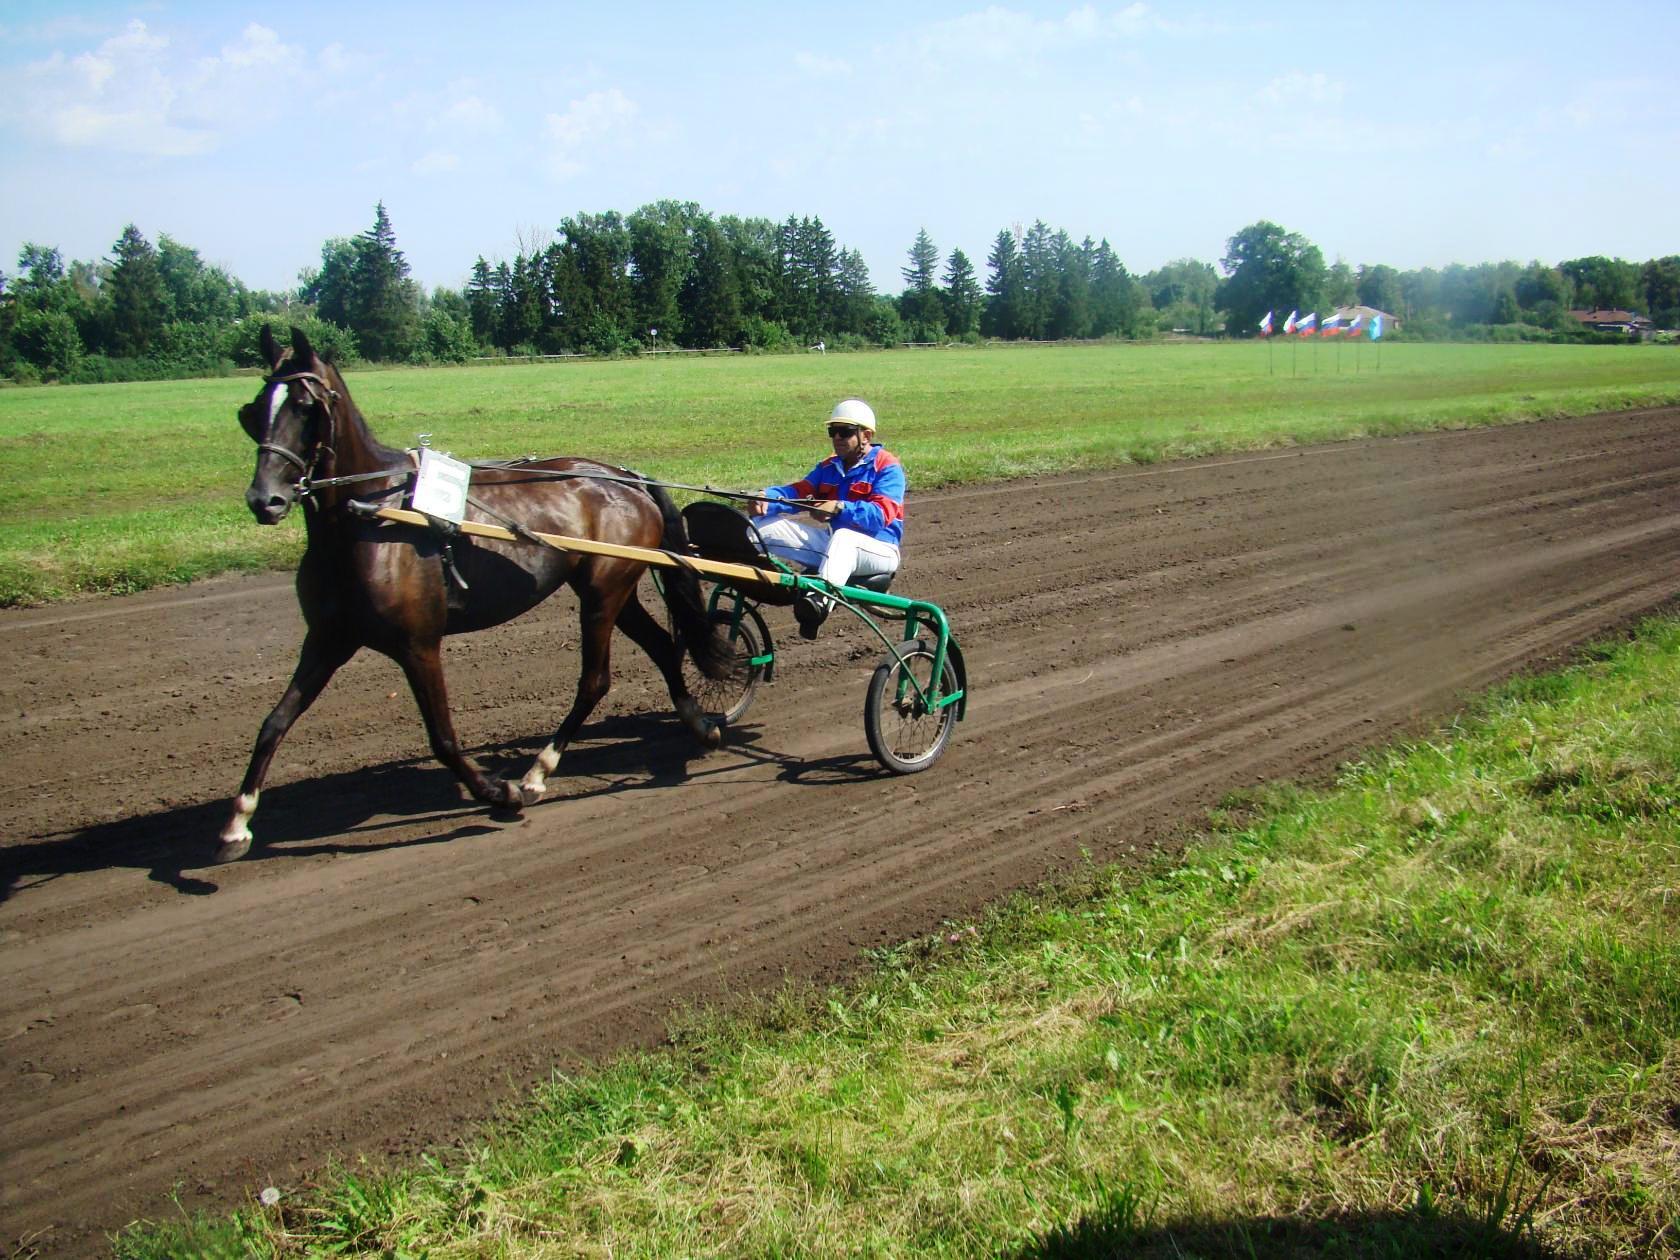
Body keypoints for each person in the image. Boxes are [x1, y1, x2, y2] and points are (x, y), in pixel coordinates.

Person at [748, 398, 905, 639]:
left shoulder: (887, 467)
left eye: (845, 432)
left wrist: (840, 508)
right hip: (836, 549)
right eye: (833, 431)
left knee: (843, 537)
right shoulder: (829, 466)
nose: (838, 438)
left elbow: (880, 516)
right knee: (760, 527)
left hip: (880, 551)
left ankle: (816, 605)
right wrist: (766, 499)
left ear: (866, 435)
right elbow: (798, 492)